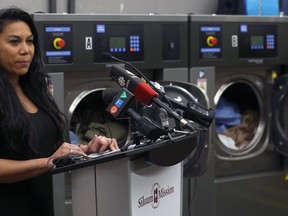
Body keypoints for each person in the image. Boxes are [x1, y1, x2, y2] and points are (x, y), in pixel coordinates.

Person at [0, 7, 119, 216]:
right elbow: (48, 159)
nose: (25, 50)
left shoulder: (35, 91)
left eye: (29, 41)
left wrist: (86, 149)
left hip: (41, 207)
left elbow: (49, 149)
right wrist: (48, 162)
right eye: (14, 41)